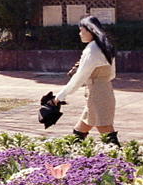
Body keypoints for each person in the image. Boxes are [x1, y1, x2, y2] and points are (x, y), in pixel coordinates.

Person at [48, 15, 119, 145]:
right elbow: (112, 74)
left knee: (105, 128)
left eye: (81, 30)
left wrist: (59, 97)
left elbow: (79, 77)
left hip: (97, 93)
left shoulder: (92, 50)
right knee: (81, 128)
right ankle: (72, 154)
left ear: (90, 30)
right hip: (105, 90)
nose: (80, 34)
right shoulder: (105, 46)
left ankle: (119, 160)